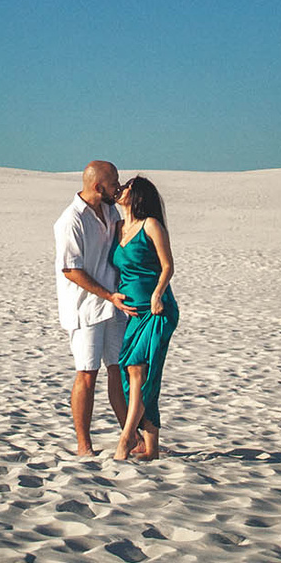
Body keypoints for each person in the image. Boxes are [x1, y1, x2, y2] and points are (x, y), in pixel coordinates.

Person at [53, 160, 135, 456]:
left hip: (115, 308)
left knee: (119, 370)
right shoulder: (71, 220)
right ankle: (83, 444)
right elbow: (70, 269)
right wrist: (107, 295)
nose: (119, 185)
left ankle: (130, 437)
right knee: (87, 373)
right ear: (98, 186)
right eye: (114, 181)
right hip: (85, 309)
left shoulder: (111, 210)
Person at [112, 175, 179, 460]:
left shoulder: (150, 224)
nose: (122, 189)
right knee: (135, 377)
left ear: (137, 194)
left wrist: (157, 295)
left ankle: (127, 437)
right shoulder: (117, 228)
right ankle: (150, 447)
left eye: (127, 186)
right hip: (132, 313)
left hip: (157, 310)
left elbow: (167, 266)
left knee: (139, 370)